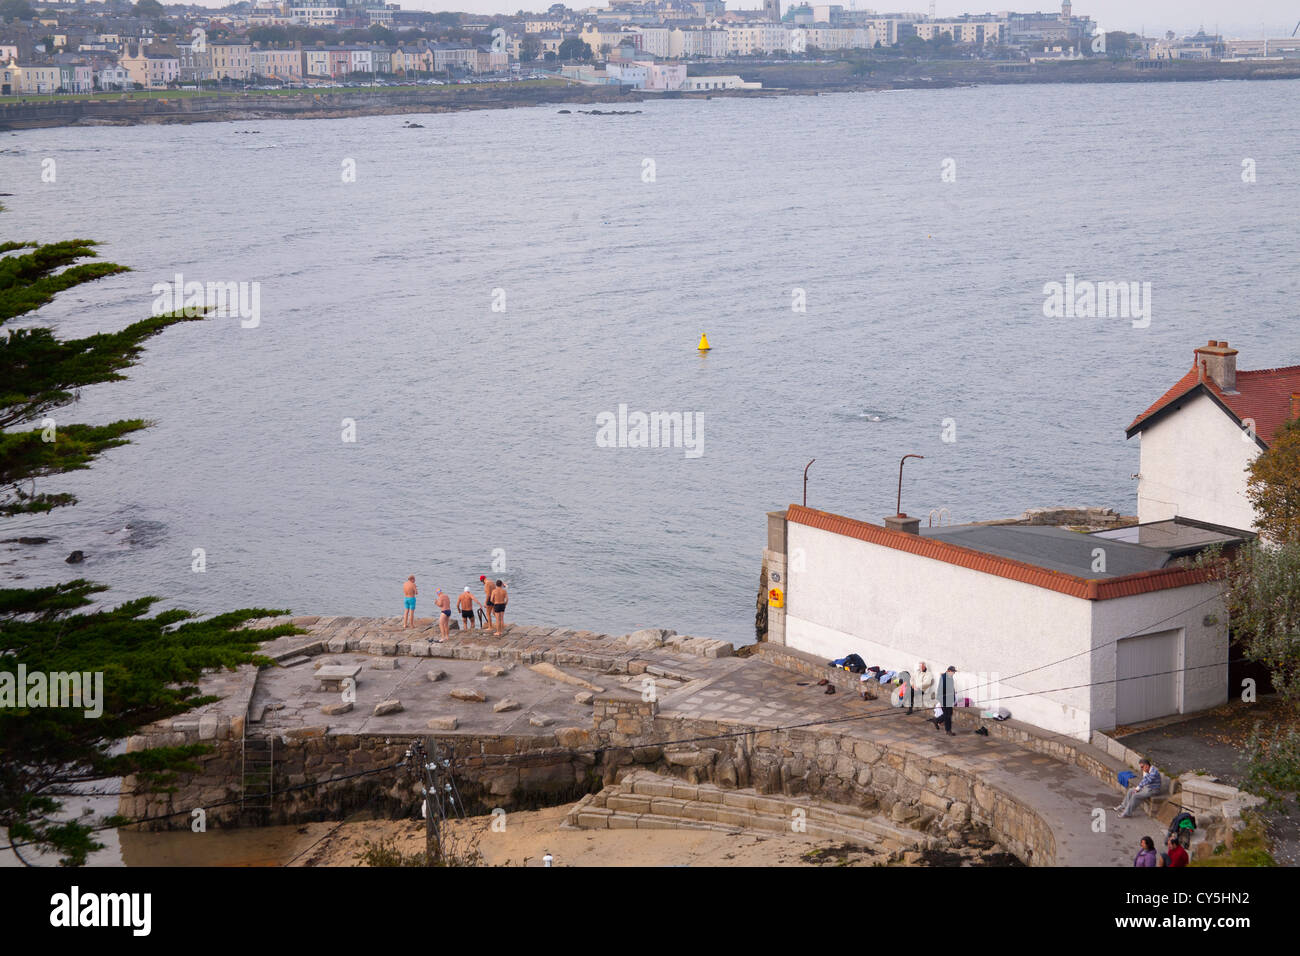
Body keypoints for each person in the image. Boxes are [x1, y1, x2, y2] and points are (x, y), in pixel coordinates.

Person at [933, 665, 957, 735]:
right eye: (953, 672)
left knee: (949, 713)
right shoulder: (944, 678)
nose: (953, 673)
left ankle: (937, 720)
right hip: (944, 699)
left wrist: (953, 698)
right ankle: (948, 730)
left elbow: (951, 689)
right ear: (949, 671)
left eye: (954, 672)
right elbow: (941, 689)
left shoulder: (949, 677)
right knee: (948, 715)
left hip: (948, 699)